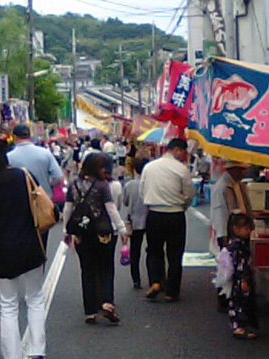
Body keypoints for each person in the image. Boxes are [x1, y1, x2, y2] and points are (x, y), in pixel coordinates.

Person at [0, 135, 47, 359]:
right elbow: (43, 203)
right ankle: (37, 350)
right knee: (35, 299)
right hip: (31, 245)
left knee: (8, 305)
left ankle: (12, 355)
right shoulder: (23, 175)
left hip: (3, 250)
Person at [63, 153, 128, 324]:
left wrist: (66, 231)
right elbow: (111, 209)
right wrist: (122, 229)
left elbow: (68, 209)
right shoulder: (102, 185)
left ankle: (89, 311)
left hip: (82, 234)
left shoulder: (74, 185)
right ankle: (107, 302)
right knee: (106, 268)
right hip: (103, 232)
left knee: (87, 271)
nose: (105, 170)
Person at [139, 138, 195, 302]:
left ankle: (156, 281)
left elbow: (142, 192)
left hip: (154, 213)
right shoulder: (181, 169)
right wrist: (182, 206)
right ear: (177, 150)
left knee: (154, 250)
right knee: (175, 254)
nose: (184, 156)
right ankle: (172, 291)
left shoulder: (149, 167)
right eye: (183, 152)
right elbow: (189, 194)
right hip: (175, 214)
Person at [210, 159, 251, 312]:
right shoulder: (222, 187)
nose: (243, 172)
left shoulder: (239, 185)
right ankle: (225, 299)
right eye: (241, 169)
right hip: (229, 233)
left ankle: (237, 297)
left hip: (240, 231)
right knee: (227, 268)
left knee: (240, 267)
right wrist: (224, 237)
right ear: (232, 169)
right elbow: (220, 213)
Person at [7, 124, 64, 199]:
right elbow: (58, 177)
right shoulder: (45, 153)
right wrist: (47, 185)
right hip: (44, 199)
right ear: (30, 135)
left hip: (20, 201)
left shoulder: (9, 157)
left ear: (15, 136)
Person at [226, 212, 259, 339]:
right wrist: (244, 279)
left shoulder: (238, 243)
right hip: (240, 278)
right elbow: (240, 265)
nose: (248, 231)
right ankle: (239, 327)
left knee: (239, 302)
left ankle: (240, 326)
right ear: (236, 229)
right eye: (246, 228)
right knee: (241, 302)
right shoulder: (237, 245)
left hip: (241, 277)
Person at [122, 157, 149, 289]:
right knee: (153, 250)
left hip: (134, 220)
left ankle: (136, 279)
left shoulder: (129, 185)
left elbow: (125, 202)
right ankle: (155, 279)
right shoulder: (150, 184)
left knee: (135, 251)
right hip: (150, 219)